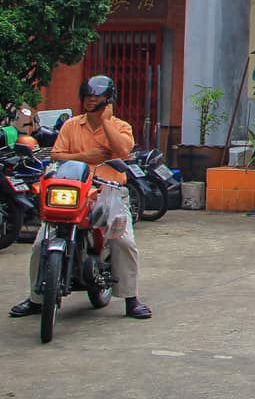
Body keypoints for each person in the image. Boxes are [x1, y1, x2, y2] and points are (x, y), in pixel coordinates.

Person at [9, 76, 152, 320]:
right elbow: (56, 154)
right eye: (87, 96)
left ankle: (131, 299)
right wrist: (88, 156)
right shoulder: (71, 125)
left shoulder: (120, 126)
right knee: (39, 243)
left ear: (108, 100)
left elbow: (123, 151)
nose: (90, 100)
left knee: (123, 242)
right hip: (75, 190)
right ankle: (36, 299)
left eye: (96, 97)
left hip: (110, 194)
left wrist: (106, 122)